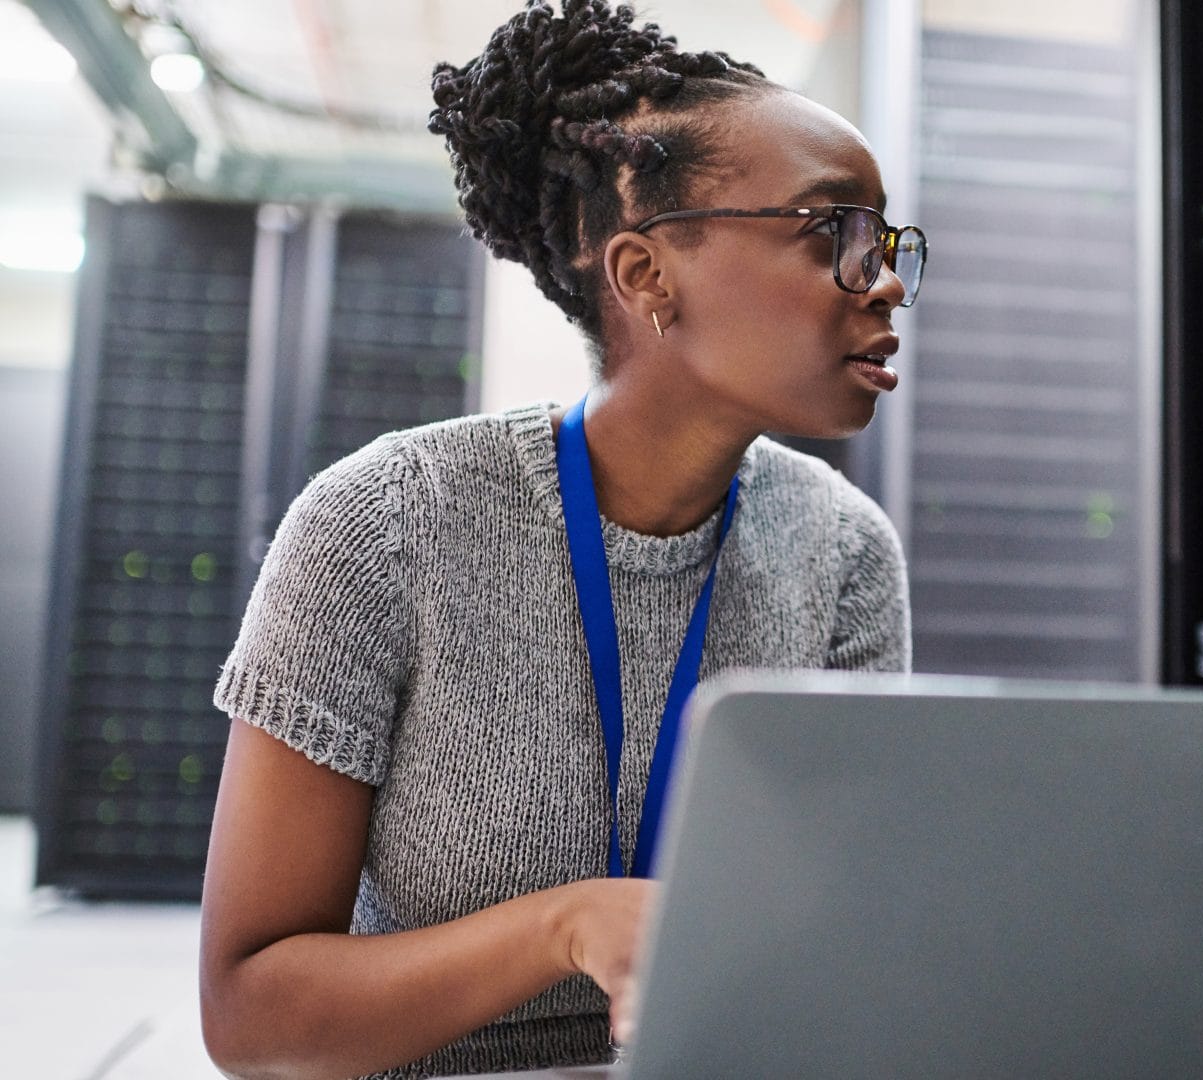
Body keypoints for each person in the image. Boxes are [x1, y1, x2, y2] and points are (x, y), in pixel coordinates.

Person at [197, 1, 926, 1076]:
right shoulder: (383, 522)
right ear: (646, 275)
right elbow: (250, 1017)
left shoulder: (845, 552)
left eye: (889, 241)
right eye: (835, 232)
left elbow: (848, 928)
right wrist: (565, 927)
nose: (887, 278)